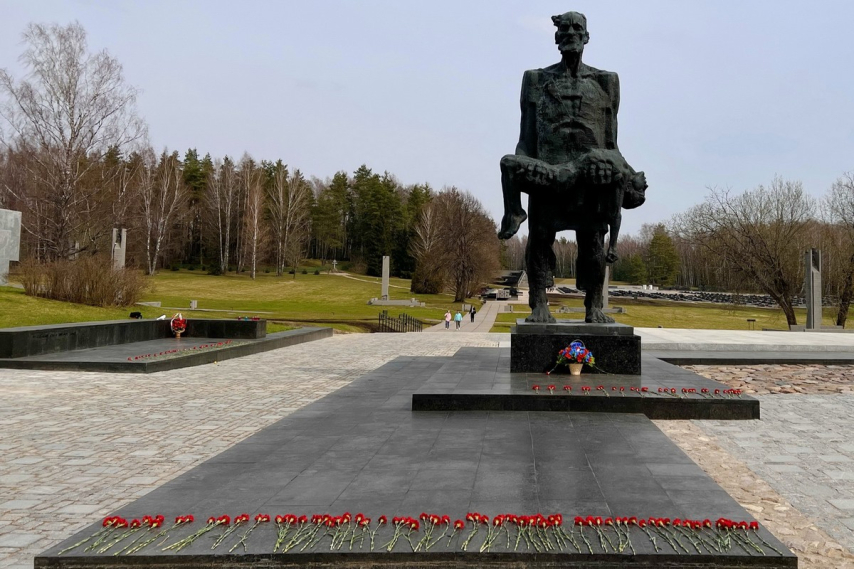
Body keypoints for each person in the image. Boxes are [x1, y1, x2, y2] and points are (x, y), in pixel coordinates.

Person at [497, 11, 647, 324]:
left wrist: (629, 176)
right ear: (556, 37)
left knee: (592, 242)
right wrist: (526, 172)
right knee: (540, 236)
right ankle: (539, 303)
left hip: (591, 180)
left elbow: (611, 143)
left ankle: (594, 306)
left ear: (586, 36)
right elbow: (526, 139)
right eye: (564, 28)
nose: (570, 33)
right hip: (549, 175)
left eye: (577, 28)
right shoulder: (536, 79)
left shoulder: (606, 81)